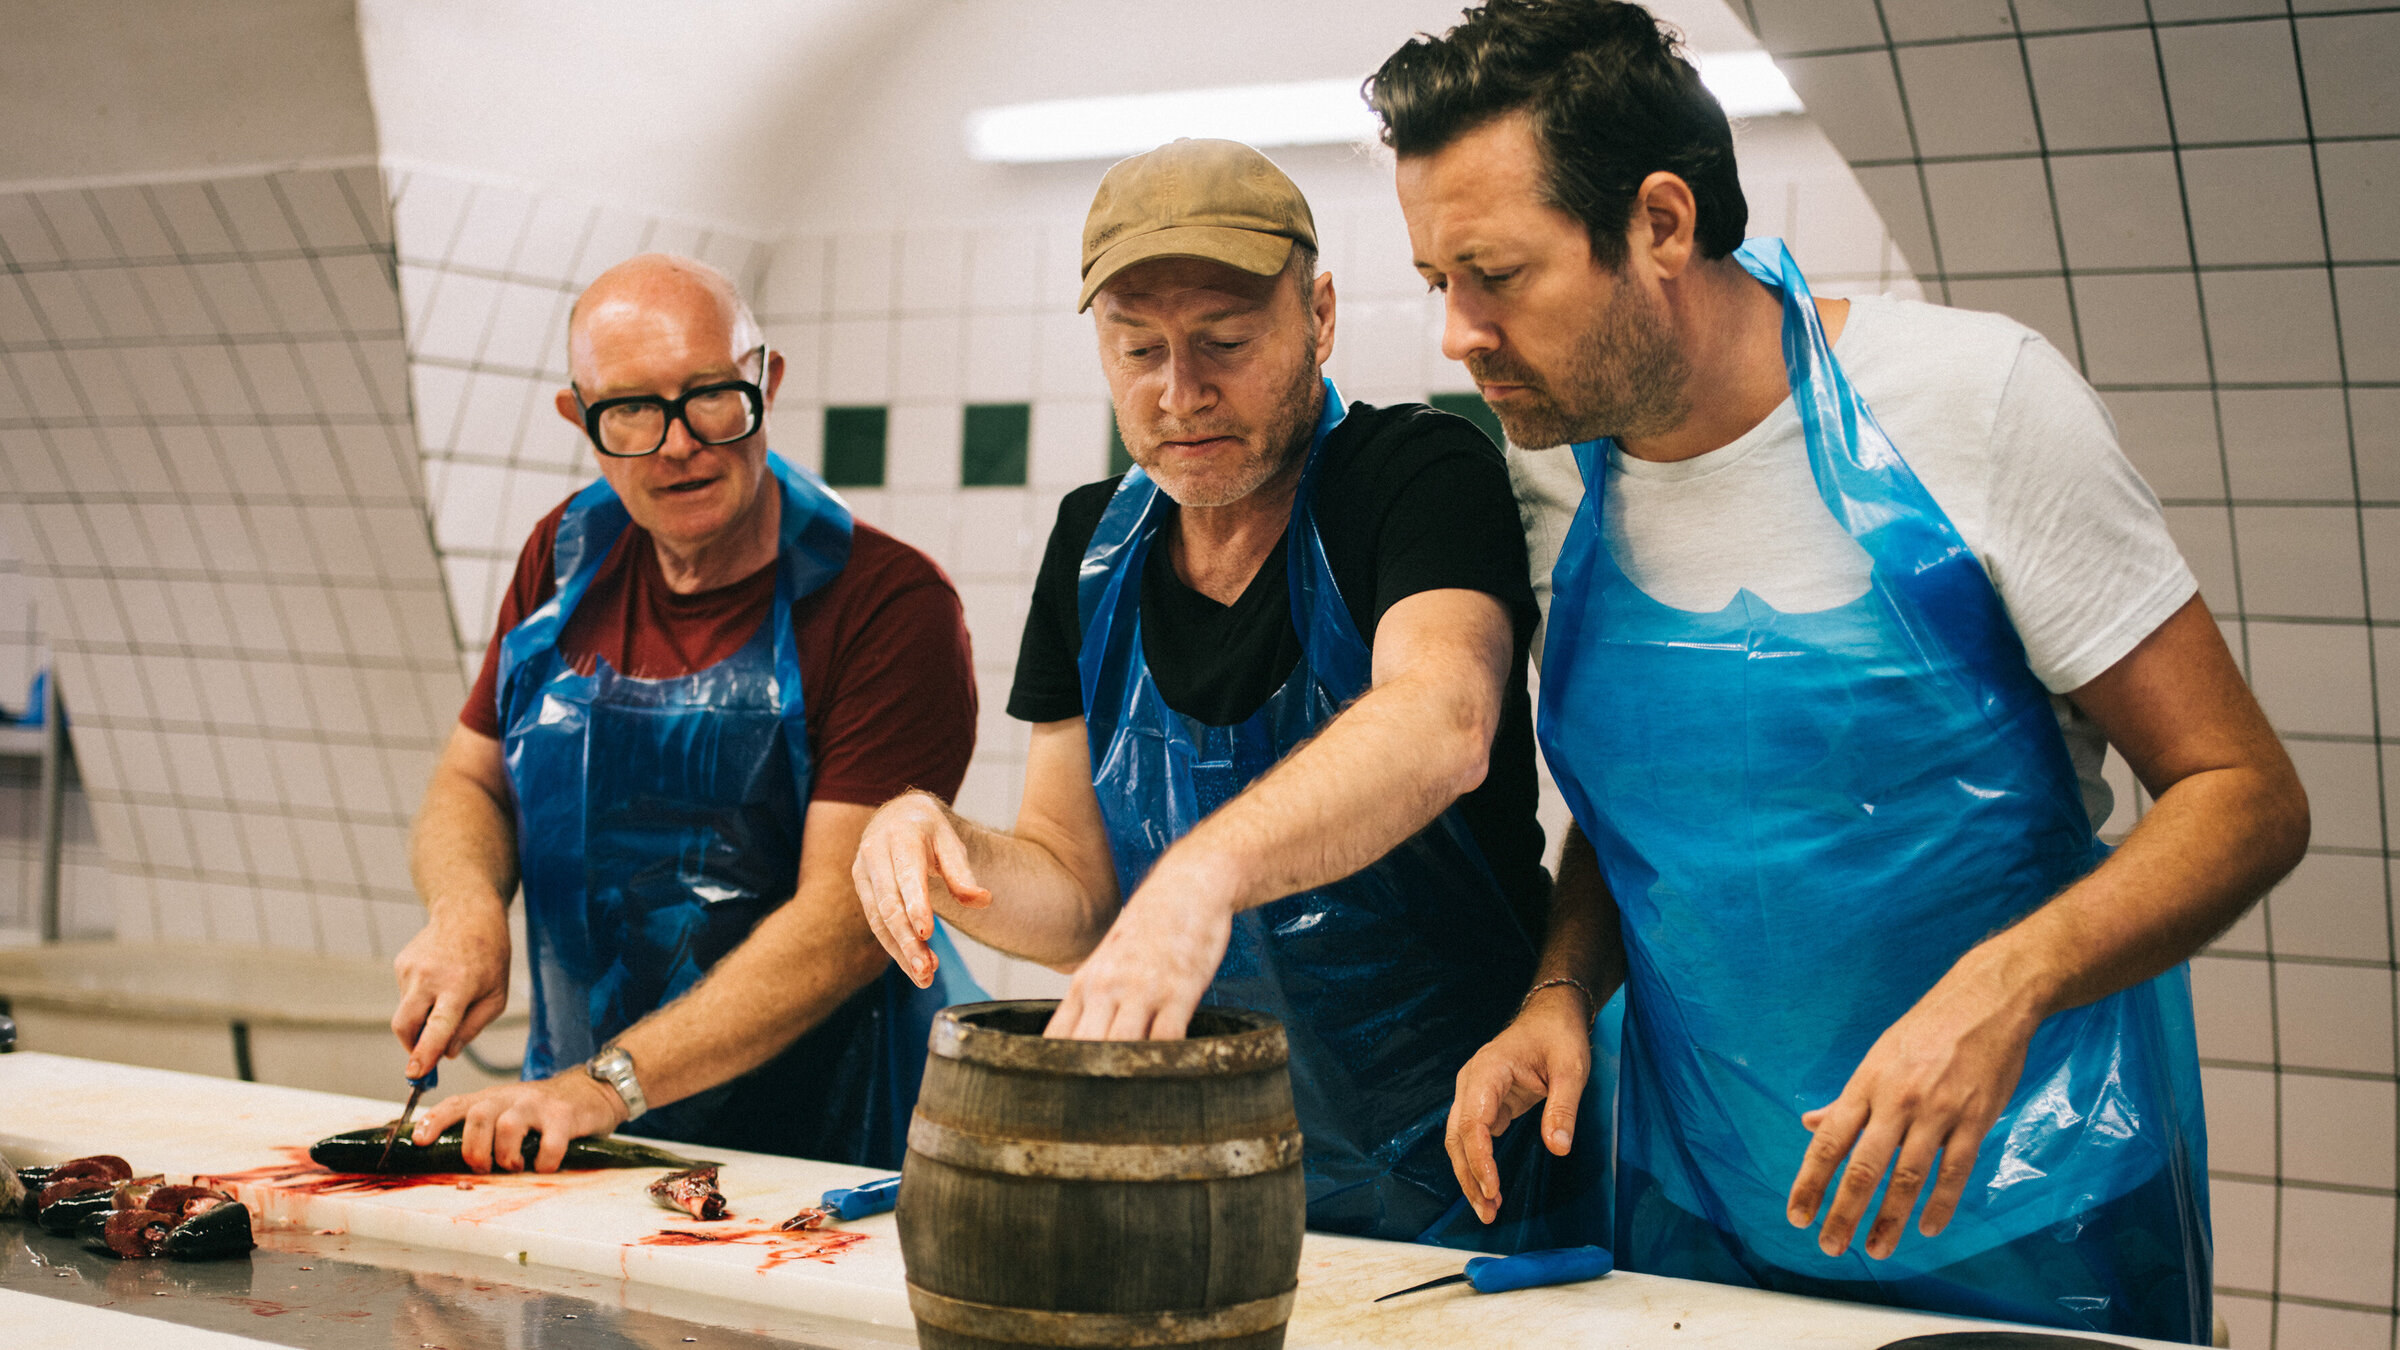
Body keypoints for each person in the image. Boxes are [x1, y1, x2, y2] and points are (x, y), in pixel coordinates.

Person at [1371, 2, 2310, 1341]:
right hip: (1701, 1214)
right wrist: (1561, 989)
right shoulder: (1558, 477)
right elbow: (1674, 811)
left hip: (2025, 1217)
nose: (1457, 332)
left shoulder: (1976, 406)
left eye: (1495, 274)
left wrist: (2006, 984)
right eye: (1434, 282)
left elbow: (2245, 792)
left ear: (1659, 223)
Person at [850, 138, 1594, 1248]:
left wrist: (1200, 876)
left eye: (1226, 343)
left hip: (1465, 1169)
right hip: (1204, 1179)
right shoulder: (1089, 545)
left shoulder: (1416, 476)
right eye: (1138, 348)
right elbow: (1082, 899)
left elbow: (1444, 722)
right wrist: (936, 844)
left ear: (1321, 317)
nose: (1180, 392)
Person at [391, 253, 984, 1172]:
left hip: (821, 1156)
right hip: (569, 1122)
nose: (677, 444)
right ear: (580, 420)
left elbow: (846, 924)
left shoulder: (888, 605)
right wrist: (466, 911)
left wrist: (608, 1085)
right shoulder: (562, 556)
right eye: (630, 409)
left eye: (710, 394)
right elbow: (474, 777)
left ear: (766, 381)